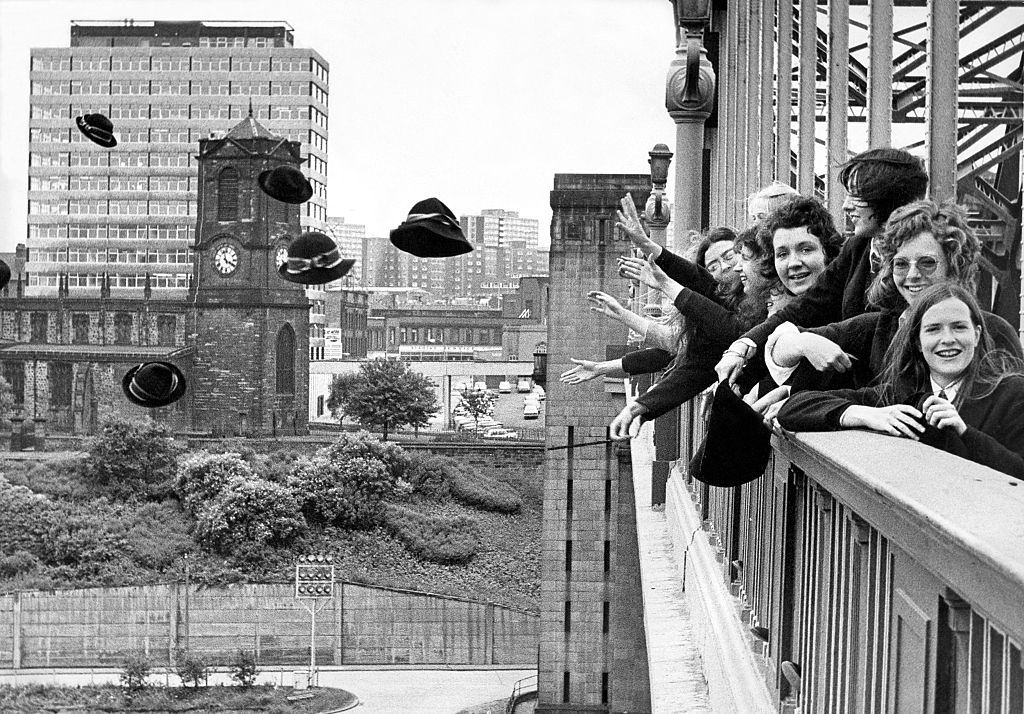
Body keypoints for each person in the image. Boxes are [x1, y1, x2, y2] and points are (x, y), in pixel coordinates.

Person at [715, 148, 929, 391]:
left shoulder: (916, 265)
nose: (847, 206)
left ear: (889, 199)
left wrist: (797, 344)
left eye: (857, 196)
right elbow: (807, 306)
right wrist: (743, 347)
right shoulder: (858, 248)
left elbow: (866, 331)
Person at [765, 201, 1023, 392]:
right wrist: (804, 343)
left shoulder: (994, 332)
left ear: (953, 265)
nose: (912, 275)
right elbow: (778, 345)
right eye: (901, 264)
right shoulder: (878, 327)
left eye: (927, 263)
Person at [776, 284, 1024, 479]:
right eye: (933, 329)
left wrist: (965, 432)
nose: (947, 339)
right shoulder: (898, 396)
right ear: (917, 340)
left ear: (977, 335)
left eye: (959, 327)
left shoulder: (1012, 392)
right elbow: (793, 408)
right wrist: (864, 414)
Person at [560, 227, 738, 386]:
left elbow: (674, 343)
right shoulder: (715, 303)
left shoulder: (731, 300)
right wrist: (601, 367)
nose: (725, 267)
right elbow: (675, 347)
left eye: (729, 256)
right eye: (713, 267)